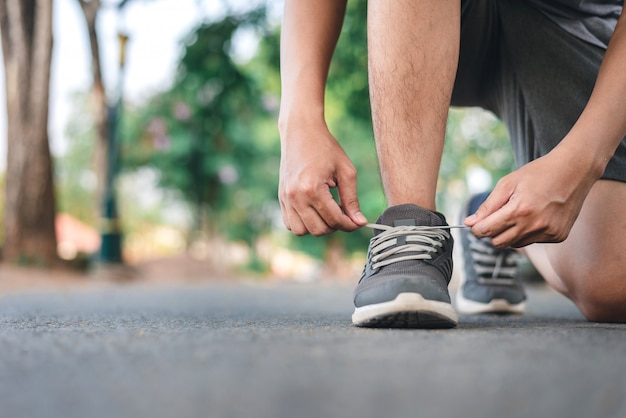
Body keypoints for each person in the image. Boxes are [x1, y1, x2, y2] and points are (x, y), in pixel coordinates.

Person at [278, 0, 626, 328]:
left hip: (577, 22)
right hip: (427, 18)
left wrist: (580, 163)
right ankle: (410, 231)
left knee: (611, 283)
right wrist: (299, 122)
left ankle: (490, 217)